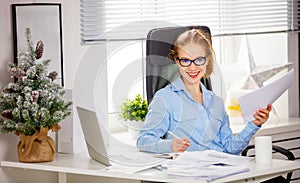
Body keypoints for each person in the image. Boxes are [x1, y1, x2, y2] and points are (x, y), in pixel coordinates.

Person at [136, 28, 272, 155]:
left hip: (224, 170)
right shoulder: (165, 99)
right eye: (185, 60)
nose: (193, 67)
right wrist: (170, 145)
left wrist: (254, 124)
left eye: (199, 60)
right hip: (193, 174)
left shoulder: (216, 102)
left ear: (207, 60)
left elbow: (230, 148)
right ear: (177, 61)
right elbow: (143, 141)